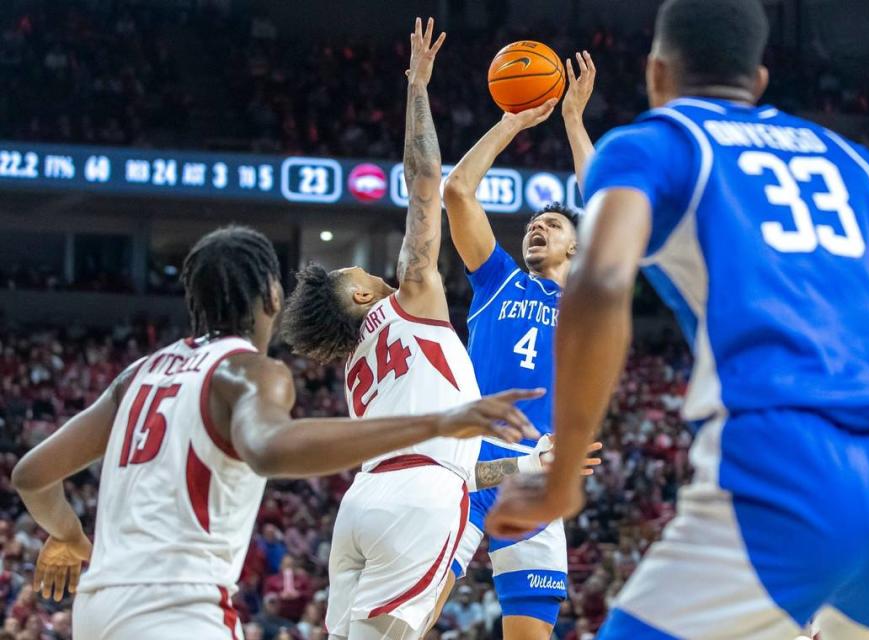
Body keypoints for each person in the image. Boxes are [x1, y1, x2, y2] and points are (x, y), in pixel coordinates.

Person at [487, 0, 869, 638]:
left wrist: (562, 480)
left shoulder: (663, 142)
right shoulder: (846, 158)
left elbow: (599, 279)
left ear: (657, 74)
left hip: (784, 465)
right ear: (758, 79)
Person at [11, 224, 535, 640]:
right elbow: (268, 451)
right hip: (179, 612)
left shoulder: (137, 376)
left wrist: (67, 536)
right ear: (269, 298)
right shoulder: (249, 372)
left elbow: (32, 474)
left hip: (97, 609)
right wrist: (437, 422)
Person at [280, 18, 546, 640]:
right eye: (358, 271)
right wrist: (418, 86)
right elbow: (426, 180)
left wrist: (529, 462)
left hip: (363, 504)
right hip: (419, 502)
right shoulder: (413, 300)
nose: (369, 269)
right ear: (361, 295)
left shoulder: (357, 371)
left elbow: (453, 465)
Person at [438, 49, 601, 640]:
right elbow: (457, 191)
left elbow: (609, 207)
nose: (538, 225)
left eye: (554, 225)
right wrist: (512, 121)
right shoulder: (498, 277)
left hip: (537, 475)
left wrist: (574, 123)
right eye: (534, 222)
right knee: (405, 620)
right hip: (466, 463)